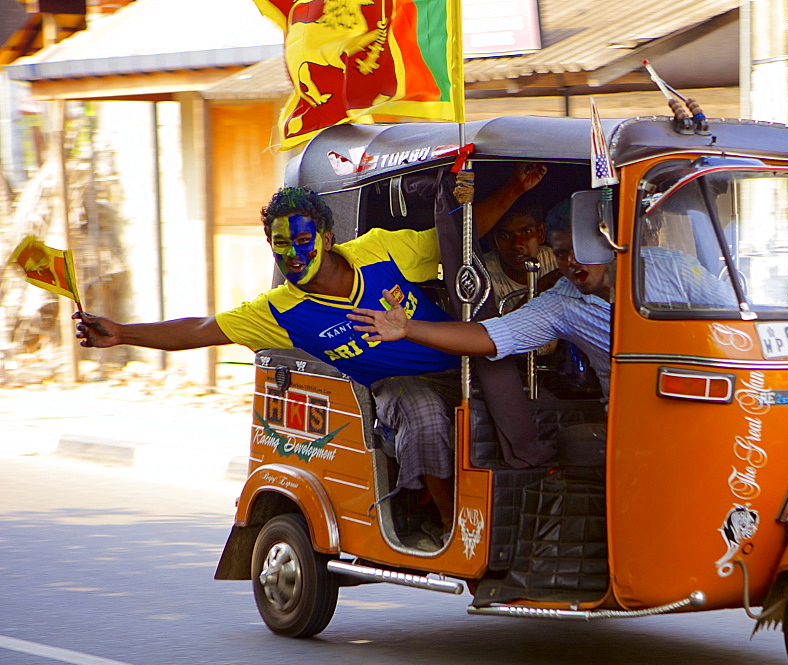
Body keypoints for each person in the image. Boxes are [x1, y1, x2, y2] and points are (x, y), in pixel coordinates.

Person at [73, 179, 542, 549]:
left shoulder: (382, 250)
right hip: (395, 387)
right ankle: (446, 525)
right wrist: (122, 335)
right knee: (418, 409)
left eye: (302, 240)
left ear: (327, 236)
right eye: (281, 245)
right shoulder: (280, 310)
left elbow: (454, 238)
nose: (293, 254)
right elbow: (202, 328)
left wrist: (514, 191)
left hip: (459, 362)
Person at [350, 199, 613, 397]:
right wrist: (408, 328)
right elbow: (490, 335)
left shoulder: (653, 266)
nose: (571, 262)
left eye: (581, 249)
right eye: (561, 253)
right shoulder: (557, 301)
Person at [483, 190, 560, 312]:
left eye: (526, 232)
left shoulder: (558, 261)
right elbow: (489, 329)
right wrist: (538, 288)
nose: (517, 244)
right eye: (505, 235)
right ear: (492, 240)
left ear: (541, 233)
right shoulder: (483, 275)